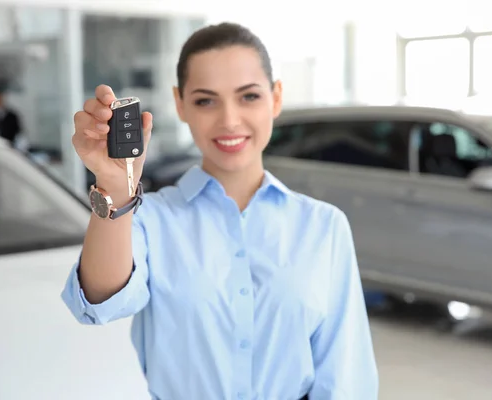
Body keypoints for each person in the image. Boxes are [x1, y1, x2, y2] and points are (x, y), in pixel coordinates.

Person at [61, 22, 378, 399]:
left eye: (248, 97)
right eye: (206, 100)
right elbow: (98, 301)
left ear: (276, 98)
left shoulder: (324, 227)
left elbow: (346, 377)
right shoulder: (150, 220)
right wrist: (115, 187)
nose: (229, 120)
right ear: (180, 104)